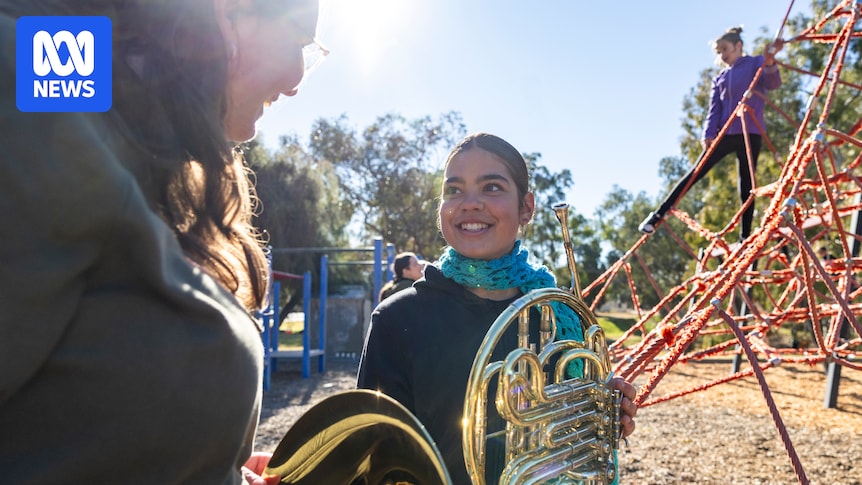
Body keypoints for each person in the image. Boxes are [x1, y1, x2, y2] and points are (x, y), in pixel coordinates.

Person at [0, 0, 326, 483]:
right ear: (229, 12)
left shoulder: (163, 152)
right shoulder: (37, 77)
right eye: (300, 39)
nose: (298, 80)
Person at [356, 133, 638, 484]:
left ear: (527, 208)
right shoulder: (396, 319)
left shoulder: (561, 316)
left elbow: (580, 450)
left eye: (491, 187)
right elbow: (372, 461)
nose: (470, 203)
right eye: (454, 190)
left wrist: (603, 415)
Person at [639, 26, 783, 239]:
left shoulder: (755, 63)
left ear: (738, 46)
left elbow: (773, 83)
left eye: (725, 49)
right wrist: (708, 133)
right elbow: (714, 109)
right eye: (719, 52)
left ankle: (745, 236)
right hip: (725, 133)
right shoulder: (720, 78)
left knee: (747, 184)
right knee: (695, 172)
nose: (723, 55)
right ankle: (658, 215)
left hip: (749, 131)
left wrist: (770, 63)